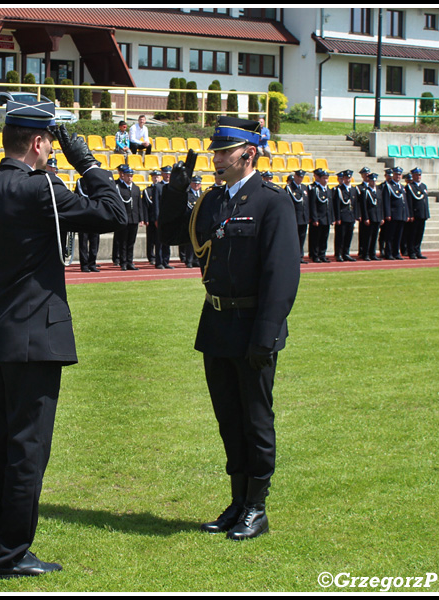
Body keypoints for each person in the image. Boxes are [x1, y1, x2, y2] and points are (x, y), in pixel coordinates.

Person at [0, 100, 126, 577]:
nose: (54, 149)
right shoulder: (41, 190)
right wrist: (88, 163)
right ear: (37, 143)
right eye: (51, 143)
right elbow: (114, 213)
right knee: (27, 450)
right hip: (34, 340)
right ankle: (12, 553)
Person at [158, 116, 300, 541]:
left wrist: (267, 332)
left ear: (249, 153)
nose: (216, 159)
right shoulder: (213, 202)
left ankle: (257, 507)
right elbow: (168, 236)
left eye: (224, 151)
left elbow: (282, 274)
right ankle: (238, 502)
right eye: (215, 151)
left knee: (255, 419)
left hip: (253, 324)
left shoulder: (272, 201)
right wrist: (175, 191)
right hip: (217, 324)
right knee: (228, 420)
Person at [115, 164, 145, 270]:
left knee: (131, 242)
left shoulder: (136, 188)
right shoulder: (119, 188)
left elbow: (139, 205)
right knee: (123, 242)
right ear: (124, 176)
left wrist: (141, 218)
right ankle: (123, 262)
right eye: (128, 176)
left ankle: (130, 261)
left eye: (131, 176)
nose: (130, 178)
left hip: (134, 219)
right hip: (125, 219)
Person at [331, 170, 357, 262]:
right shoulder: (339, 190)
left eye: (349, 178)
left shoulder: (353, 189)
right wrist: (337, 218)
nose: (348, 180)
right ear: (343, 178)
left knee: (348, 236)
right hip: (342, 216)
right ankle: (338, 254)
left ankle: (346, 253)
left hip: (350, 216)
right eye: (346, 178)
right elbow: (337, 205)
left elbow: (355, 204)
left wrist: (356, 216)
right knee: (340, 236)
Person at [307, 168, 331, 263]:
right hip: (319, 218)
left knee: (324, 238)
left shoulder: (328, 190)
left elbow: (330, 206)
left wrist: (331, 218)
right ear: (320, 179)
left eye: (327, 178)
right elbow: (313, 205)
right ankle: (315, 255)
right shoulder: (315, 190)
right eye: (324, 178)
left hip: (326, 218)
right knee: (316, 238)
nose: (325, 180)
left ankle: (322, 254)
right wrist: (315, 218)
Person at [405, 167, 429, 259]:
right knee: (412, 234)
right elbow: (409, 202)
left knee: (420, 234)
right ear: (413, 176)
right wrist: (410, 214)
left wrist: (426, 213)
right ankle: (411, 252)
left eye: (419, 175)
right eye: (416, 175)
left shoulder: (423, 186)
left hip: (422, 214)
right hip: (415, 214)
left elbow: (425, 201)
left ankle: (417, 250)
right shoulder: (410, 187)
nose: (418, 177)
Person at [286, 169, 309, 263]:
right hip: (295, 217)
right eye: (299, 176)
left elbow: (307, 203)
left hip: (303, 217)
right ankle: (293, 255)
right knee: (294, 237)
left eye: (302, 177)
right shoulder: (289, 188)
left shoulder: (304, 187)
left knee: (302, 237)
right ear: (295, 176)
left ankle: (300, 255)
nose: (300, 178)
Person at [359, 173, 383, 261]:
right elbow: (364, 206)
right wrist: (366, 218)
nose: (373, 182)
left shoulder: (379, 191)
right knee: (367, 237)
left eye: (374, 180)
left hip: (377, 217)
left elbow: (381, 205)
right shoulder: (365, 191)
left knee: (374, 237)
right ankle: (366, 254)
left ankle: (373, 254)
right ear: (369, 181)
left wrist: (381, 217)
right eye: (372, 180)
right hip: (370, 217)